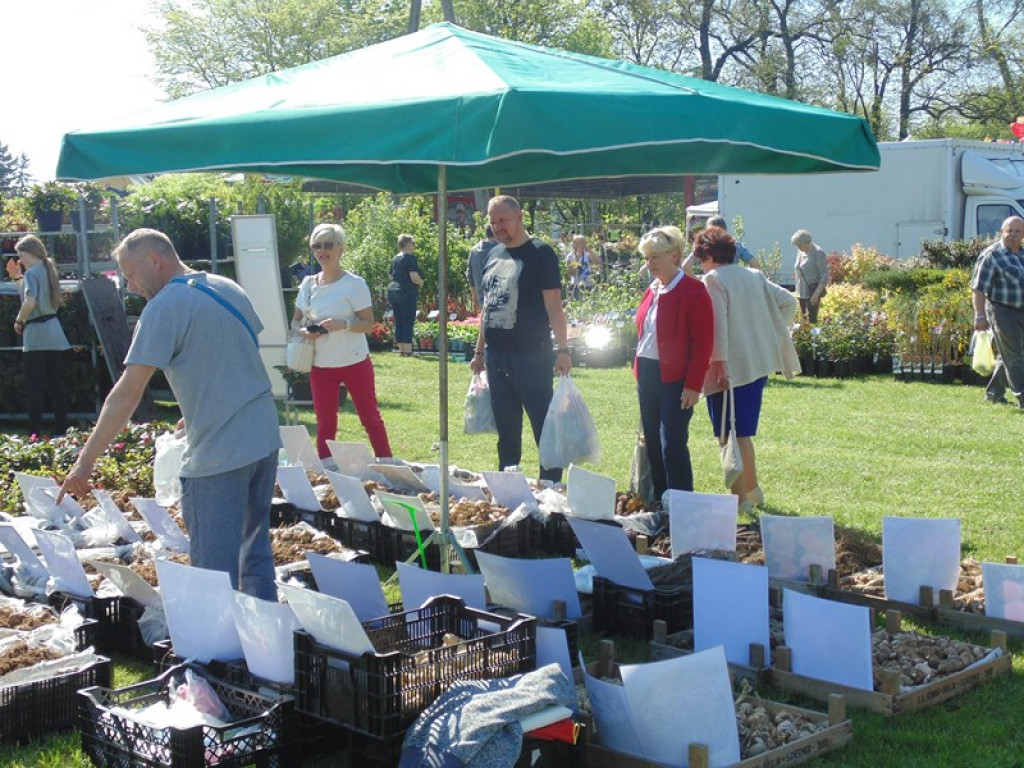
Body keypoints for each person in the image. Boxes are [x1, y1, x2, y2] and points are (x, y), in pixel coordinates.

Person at [57, 228, 279, 600]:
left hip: (219, 454)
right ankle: (265, 651)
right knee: (254, 555)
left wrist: (84, 463)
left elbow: (127, 393)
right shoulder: (227, 287)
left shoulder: (164, 307)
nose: (130, 286)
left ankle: (218, 655)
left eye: (129, 274)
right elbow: (232, 353)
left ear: (154, 260)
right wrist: (197, 409)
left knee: (212, 572)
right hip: (263, 439)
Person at [693, 226, 800, 513]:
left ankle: (740, 501)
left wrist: (720, 365)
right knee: (743, 433)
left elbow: (717, 327)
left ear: (708, 255)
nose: (699, 263)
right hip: (758, 363)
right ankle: (753, 491)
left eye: (700, 256)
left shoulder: (712, 279)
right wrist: (774, 333)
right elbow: (789, 302)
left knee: (728, 434)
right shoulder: (754, 276)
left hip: (727, 369)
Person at [470, 195, 572, 482]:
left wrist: (563, 349)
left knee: (544, 426)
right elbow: (487, 307)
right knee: (506, 431)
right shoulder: (492, 254)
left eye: (502, 220)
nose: (498, 227)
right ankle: (509, 486)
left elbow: (554, 305)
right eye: (492, 222)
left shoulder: (541, 253)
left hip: (532, 356)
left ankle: (550, 486)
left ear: (520, 217)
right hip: (495, 356)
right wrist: (479, 352)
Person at [292, 223, 392, 459]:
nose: (322, 251)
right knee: (325, 424)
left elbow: (369, 324)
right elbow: (295, 322)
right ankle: (327, 475)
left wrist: (344, 325)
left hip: (354, 362)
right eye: (317, 246)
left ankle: (389, 466)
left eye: (328, 245)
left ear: (341, 249)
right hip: (321, 365)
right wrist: (304, 331)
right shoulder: (308, 284)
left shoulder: (354, 284)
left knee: (370, 419)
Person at [635, 226, 714, 499]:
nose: (650, 263)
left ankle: (682, 503)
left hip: (675, 380)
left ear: (676, 256)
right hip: (647, 375)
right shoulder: (652, 289)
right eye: (647, 257)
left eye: (656, 256)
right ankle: (659, 500)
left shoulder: (694, 291)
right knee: (653, 445)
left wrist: (694, 385)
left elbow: (703, 343)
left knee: (673, 445)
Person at [12, 235, 70, 436]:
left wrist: (19, 321)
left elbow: (30, 302)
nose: (20, 260)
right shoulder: (48, 270)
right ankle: (62, 429)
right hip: (54, 331)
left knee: (35, 387)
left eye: (21, 255)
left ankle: (34, 432)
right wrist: (17, 278)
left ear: (29, 253)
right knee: (56, 384)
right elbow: (35, 295)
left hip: (36, 334)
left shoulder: (32, 273)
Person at [971, 215, 1024, 407]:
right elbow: (978, 288)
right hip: (1002, 311)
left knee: (1008, 355)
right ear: (1001, 232)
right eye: (1009, 230)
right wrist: (979, 316)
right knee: (1015, 356)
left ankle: (994, 394)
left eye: (1017, 231)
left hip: (1021, 311)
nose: (1013, 235)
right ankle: (1022, 397)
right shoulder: (991, 255)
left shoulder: (1022, 254)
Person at [681, 216, 759, 275]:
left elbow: (686, 266)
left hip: (712, 286)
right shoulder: (736, 245)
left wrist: (700, 283)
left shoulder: (704, 246)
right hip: (732, 285)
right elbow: (755, 264)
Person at [387, 233, 424, 357]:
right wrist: (421, 282)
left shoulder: (395, 258)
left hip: (394, 291)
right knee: (408, 320)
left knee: (399, 320)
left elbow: (391, 276)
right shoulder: (409, 258)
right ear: (407, 244)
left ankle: (401, 349)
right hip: (406, 291)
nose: (414, 245)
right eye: (413, 243)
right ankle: (408, 350)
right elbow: (413, 275)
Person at [791, 229, 829, 323]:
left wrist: (816, 294)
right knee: (804, 321)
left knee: (811, 321)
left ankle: (814, 337)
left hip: (812, 291)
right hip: (801, 292)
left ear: (807, 242)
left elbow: (824, 276)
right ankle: (807, 337)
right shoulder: (801, 252)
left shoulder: (818, 253)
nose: (798, 248)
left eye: (799, 245)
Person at [466, 224, 498, 313]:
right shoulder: (501, 249)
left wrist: (474, 296)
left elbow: (470, 275)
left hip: (482, 298)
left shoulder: (473, 251)